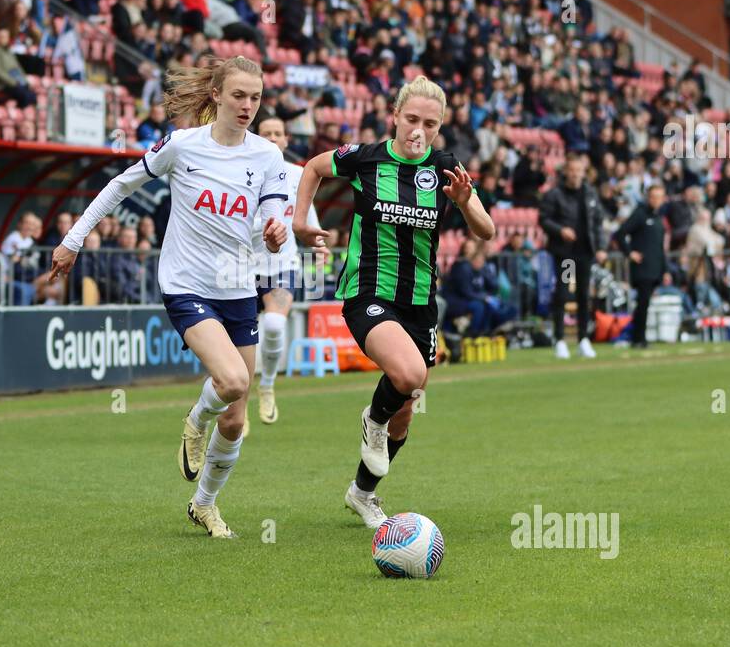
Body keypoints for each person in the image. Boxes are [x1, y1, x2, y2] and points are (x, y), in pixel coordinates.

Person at [47, 56, 289, 539]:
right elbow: (120, 185)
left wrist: (274, 233)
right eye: (239, 95)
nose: (247, 106)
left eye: (256, 98)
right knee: (234, 379)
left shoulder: (266, 156)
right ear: (217, 94)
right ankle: (195, 420)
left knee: (237, 421)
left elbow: (268, 219)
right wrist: (73, 239)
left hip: (238, 287)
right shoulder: (181, 146)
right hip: (186, 284)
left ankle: (205, 505)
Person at [292, 76, 496, 528]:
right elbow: (313, 168)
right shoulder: (365, 157)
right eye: (411, 119)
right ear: (395, 116)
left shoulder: (444, 167)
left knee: (405, 412)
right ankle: (371, 419)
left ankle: (363, 493)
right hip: (368, 292)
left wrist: (465, 203)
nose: (418, 130)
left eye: (430, 123)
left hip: (420, 303)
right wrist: (302, 221)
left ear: (439, 128)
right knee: (408, 373)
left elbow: (487, 231)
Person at [244, 114, 319, 435]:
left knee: (274, 324)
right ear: (256, 139)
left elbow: (305, 219)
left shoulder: (299, 175)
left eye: (279, 133)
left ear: (287, 140)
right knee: (240, 344)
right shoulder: (241, 173)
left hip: (282, 266)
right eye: (267, 133)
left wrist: (316, 243)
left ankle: (269, 385)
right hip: (242, 267)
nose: (273, 138)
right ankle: (238, 406)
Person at [540, 153, 604, 359]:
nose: (576, 174)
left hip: (585, 252)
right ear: (566, 171)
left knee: (584, 295)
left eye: (579, 170)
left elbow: (598, 223)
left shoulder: (590, 194)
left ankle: (583, 339)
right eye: (572, 170)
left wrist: (601, 247)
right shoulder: (554, 194)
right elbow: (544, 219)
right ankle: (559, 339)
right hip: (566, 253)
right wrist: (560, 231)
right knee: (564, 293)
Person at [613, 182, 668, 349]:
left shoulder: (658, 218)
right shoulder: (640, 214)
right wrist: (630, 253)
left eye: (659, 197)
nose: (656, 200)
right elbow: (620, 233)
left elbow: (660, 247)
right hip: (643, 267)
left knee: (645, 304)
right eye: (653, 197)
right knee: (642, 303)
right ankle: (638, 338)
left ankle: (639, 337)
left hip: (655, 267)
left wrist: (664, 270)